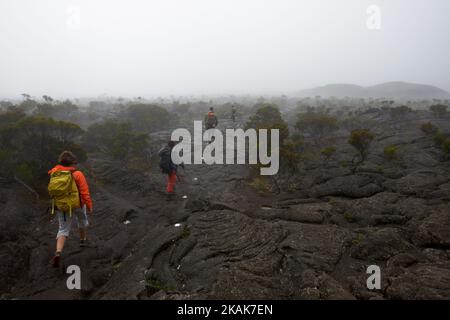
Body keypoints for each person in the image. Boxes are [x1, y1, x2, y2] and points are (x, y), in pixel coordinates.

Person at [48, 151, 93, 268]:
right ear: (73, 162)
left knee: (63, 229)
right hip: (77, 204)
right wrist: (89, 205)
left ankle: (58, 252)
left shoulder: (55, 173)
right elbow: (84, 192)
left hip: (62, 205)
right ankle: (83, 240)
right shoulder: (77, 174)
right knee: (82, 221)